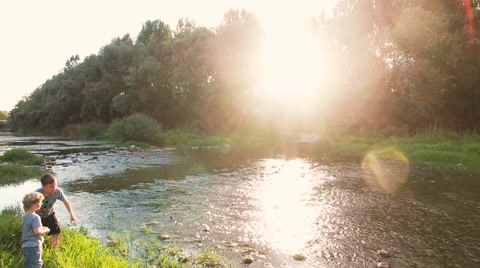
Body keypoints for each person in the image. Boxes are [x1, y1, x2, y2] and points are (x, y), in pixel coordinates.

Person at [35, 173, 77, 248]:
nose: (54, 188)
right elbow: (27, 205)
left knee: (56, 231)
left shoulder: (57, 192)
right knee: (37, 235)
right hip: (37, 216)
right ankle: (38, 250)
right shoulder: (37, 193)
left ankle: (53, 251)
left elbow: (66, 202)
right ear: (43, 187)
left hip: (50, 214)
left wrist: (71, 214)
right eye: (51, 186)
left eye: (55, 185)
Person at [22, 192, 50, 268]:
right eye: (39, 202)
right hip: (34, 245)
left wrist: (41, 228)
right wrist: (45, 230)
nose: (41, 203)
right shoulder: (35, 217)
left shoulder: (25, 216)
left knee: (28, 265)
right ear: (32, 205)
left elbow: (30, 229)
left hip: (25, 246)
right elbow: (36, 231)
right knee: (36, 265)